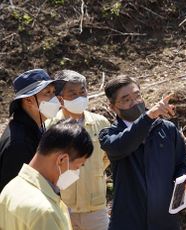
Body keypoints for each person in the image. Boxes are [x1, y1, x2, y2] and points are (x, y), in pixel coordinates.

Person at [99, 75, 186, 230]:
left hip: (165, 220)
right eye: (126, 100)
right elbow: (123, 144)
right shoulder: (109, 135)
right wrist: (148, 117)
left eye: (137, 95)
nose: (135, 102)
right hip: (128, 221)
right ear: (113, 107)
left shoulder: (167, 129)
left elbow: (182, 164)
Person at [46, 70, 111, 230]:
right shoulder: (51, 126)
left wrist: (92, 173)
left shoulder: (100, 123)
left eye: (82, 92)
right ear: (60, 99)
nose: (80, 97)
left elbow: (107, 157)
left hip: (94, 207)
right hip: (62, 207)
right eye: (72, 94)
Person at [0, 119, 94, 230]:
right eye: (78, 166)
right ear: (62, 160)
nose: (77, 173)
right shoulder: (46, 212)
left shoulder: (11, 188)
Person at [0, 69, 62, 192]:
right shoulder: (19, 143)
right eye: (47, 93)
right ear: (28, 100)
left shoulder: (36, 129)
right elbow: (14, 194)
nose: (54, 98)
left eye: (53, 92)